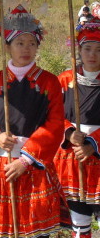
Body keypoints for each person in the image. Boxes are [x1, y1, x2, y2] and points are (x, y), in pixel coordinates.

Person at [0, 5, 69, 238]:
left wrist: (25, 160)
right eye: (19, 43)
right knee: (3, 232)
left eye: (31, 43)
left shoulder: (49, 83)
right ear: (8, 47)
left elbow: (55, 124)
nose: (26, 49)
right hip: (1, 167)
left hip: (33, 165)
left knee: (36, 231)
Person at [54, 20, 100, 238]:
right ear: (78, 50)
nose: (92, 55)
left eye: (99, 50)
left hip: (98, 158)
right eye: (87, 48)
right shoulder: (64, 80)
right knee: (79, 224)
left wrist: (93, 143)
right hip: (71, 161)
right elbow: (52, 115)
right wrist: (70, 133)